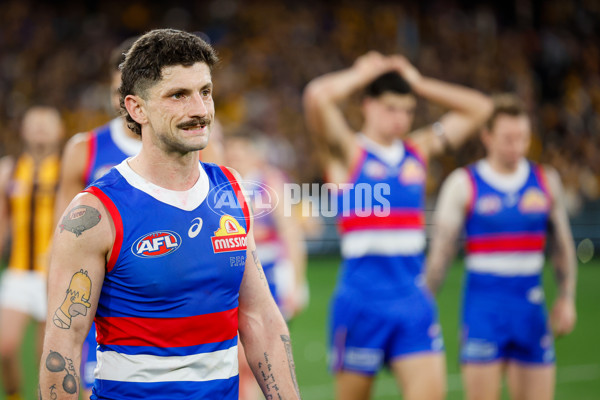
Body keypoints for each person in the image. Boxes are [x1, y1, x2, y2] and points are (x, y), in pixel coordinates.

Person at [39, 29, 300, 400]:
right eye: (178, 95)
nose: (199, 110)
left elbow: (260, 318)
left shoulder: (230, 192)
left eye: (205, 92)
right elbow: (62, 346)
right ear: (136, 108)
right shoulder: (94, 213)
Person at [303, 51, 493, 400]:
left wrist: (420, 83)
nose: (401, 119)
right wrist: (362, 72)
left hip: (412, 300)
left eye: (407, 110)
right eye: (391, 108)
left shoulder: (417, 150)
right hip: (361, 302)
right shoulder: (348, 153)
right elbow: (317, 97)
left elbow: (480, 108)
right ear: (368, 105)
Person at [425, 94, 577, 400]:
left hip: (531, 310)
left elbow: (562, 245)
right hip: (483, 310)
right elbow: (440, 254)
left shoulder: (546, 181)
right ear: (487, 136)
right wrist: (423, 304)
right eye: (508, 138)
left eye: (522, 137)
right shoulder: (463, 184)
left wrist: (567, 296)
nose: (516, 146)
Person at [225, 132, 308, 400]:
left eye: (241, 150)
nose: (235, 155)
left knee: (262, 355)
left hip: (270, 277)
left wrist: (296, 283)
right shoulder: (224, 184)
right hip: (236, 278)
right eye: (232, 150)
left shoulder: (269, 182)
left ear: (254, 154)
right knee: (241, 360)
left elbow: (292, 234)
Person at [0, 106, 64, 400]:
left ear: (59, 131)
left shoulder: (68, 171)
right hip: (18, 272)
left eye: (46, 123)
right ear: (23, 130)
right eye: (34, 123)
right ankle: (14, 396)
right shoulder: (8, 170)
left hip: (54, 275)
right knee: (5, 347)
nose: (39, 128)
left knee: (46, 357)